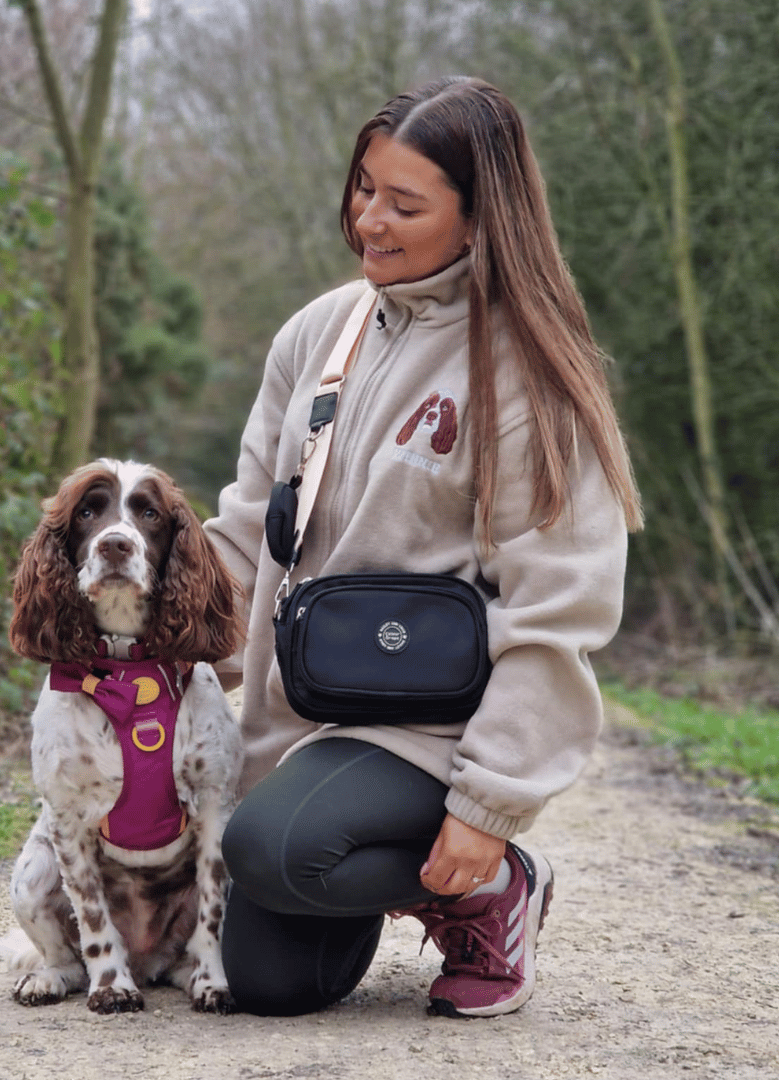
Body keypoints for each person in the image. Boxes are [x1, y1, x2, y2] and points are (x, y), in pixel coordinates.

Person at [202, 75, 643, 1019]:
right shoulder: (318, 336)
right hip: (304, 713)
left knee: (276, 849)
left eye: (405, 203)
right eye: (365, 188)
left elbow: (558, 609)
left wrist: (489, 807)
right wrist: (144, 648)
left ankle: (496, 886)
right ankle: (345, 843)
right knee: (271, 985)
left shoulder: (532, 374)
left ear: (483, 217)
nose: (370, 221)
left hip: (436, 727)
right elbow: (247, 526)